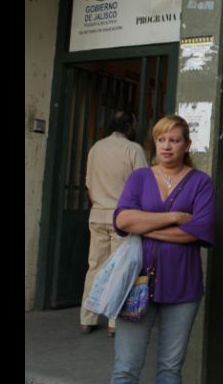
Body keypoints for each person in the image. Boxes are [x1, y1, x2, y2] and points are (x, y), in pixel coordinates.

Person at [111, 115, 216, 383]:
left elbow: (200, 230)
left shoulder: (200, 182)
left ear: (187, 145)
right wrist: (173, 218)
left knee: (170, 370)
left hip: (182, 285)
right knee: (125, 368)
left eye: (174, 140)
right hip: (136, 283)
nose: (167, 146)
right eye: (161, 140)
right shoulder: (140, 177)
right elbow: (122, 220)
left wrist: (144, 225)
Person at [81, 111, 148, 338]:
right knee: (121, 269)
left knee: (95, 267)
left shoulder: (95, 148)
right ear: (130, 125)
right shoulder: (134, 149)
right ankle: (114, 322)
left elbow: (89, 185)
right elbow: (143, 185)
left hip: (97, 215)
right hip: (124, 218)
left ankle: (86, 318)